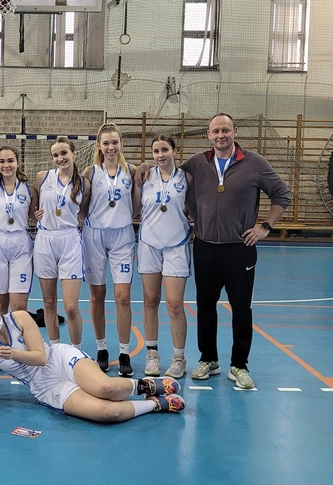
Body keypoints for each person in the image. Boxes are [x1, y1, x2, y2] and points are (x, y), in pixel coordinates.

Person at [137, 114, 291, 389]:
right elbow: (167, 168)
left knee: (241, 308)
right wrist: (144, 166)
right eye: (216, 131)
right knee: (205, 307)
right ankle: (208, 359)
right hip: (205, 246)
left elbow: (282, 195)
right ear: (208, 135)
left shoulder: (255, 163)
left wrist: (265, 227)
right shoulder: (198, 162)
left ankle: (239, 365)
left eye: (225, 130)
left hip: (240, 248)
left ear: (235, 131)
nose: (221, 135)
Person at [0, 286, 185, 422]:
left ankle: (146, 386)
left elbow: (41, 358)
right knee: (107, 413)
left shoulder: (20, 318)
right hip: (46, 387)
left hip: (59, 359)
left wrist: (13, 353)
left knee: (106, 388)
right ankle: (155, 404)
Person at [132, 135, 192, 379]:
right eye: (156, 151)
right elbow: (135, 209)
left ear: (174, 150)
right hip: (149, 244)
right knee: (150, 300)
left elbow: (195, 207)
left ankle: (179, 357)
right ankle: (152, 353)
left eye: (165, 149)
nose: (160, 155)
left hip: (177, 244)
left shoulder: (187, 178)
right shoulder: (145, 176)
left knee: (175, 304)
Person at [82, 123, 137, 377]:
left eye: (115, 142)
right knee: (97, 295)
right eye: (106, 143)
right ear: (99, 146)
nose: (111, 147)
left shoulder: (132, 171)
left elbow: (137, 205)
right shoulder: (90, 172)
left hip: (122, 236)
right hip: (94, 235)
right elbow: (81, 205)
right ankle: (102, 348)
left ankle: (124, 352)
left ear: (121, 144)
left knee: (123, 296)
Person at [33, 138, 89, 348]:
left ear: (74, 153)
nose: (60, 158)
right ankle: (55, 350)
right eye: (55, 155)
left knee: (71, 307)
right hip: (45, 240)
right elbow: (34, 207)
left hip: (69, 240)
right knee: (48, 302)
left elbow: (83, 213)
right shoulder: (42, 177)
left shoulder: (84, 183)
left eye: (64, 153)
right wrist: (35, 215)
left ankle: (76, 352)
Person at [0, 146, 38, 314]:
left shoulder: (29, 190)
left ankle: (19, 332)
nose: (6, 165)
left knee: (19, 306)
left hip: (21, 244)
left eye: (10, 161)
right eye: (2, 161)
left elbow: (35, 218)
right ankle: (0, 333)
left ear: (18, 163)